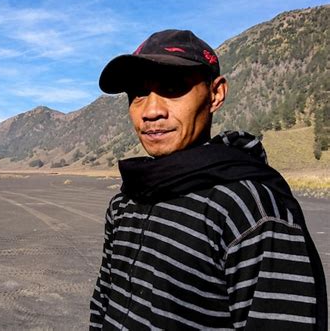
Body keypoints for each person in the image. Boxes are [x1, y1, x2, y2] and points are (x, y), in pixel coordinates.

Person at [90, 30, 327, 330]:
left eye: (173, 87)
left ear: (216, 94)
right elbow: (103, 303)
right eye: (139, 93)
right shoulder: (127, 201)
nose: (151, 111)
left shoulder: (249, 211)